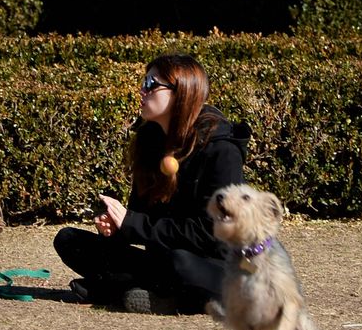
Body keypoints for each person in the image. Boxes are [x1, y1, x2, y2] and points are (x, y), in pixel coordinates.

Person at [54, 53, 251, 314]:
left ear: (181, 92)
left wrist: (133, 223)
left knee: (179, 262)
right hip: (164, 262)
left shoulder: (221, 150)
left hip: (215, 267)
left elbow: (212, 233)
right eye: (144, 82)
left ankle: (138, 293)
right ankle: (143, 291)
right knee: (69, 240)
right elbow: (143, 219)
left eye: (151, 84)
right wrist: (117, 227)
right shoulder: (150, 143)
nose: (142, 90)